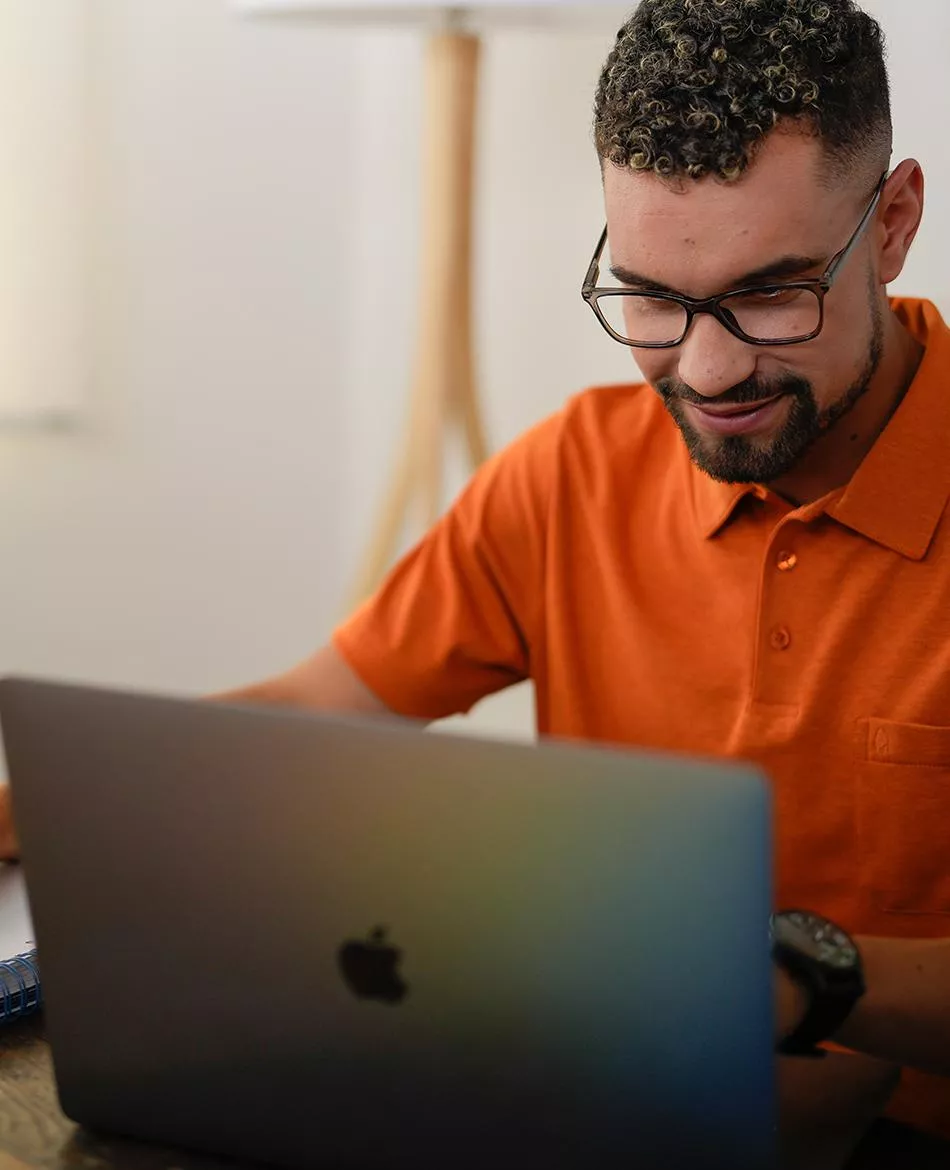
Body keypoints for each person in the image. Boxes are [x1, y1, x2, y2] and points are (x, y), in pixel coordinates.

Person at [2, 0, 949, 1148]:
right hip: (584, 1105)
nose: (704, 369)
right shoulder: (571, 472)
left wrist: (799, 976)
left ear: (891, 221)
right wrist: (40, 815)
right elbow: (318, 714)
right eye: (648, 295)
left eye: (769, 293)